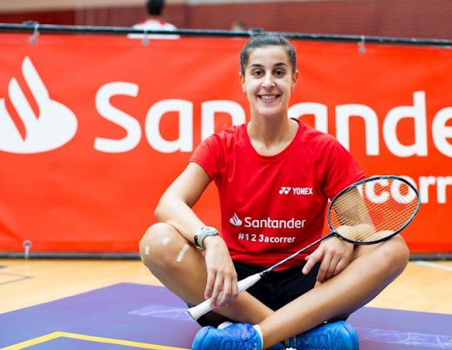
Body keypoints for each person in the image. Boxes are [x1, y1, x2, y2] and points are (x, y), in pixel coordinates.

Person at [139, 33, 410, 350]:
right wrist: (209, 239)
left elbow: (365, 227)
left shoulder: (325, 149)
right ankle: (299, 335)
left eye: (279, 72)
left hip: (308, 282)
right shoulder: (221, 146)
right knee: (156, 241)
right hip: (234, 287)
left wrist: (345, 235)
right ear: (243, 81)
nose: (268, 82)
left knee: (392, 247)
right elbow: (169, 203)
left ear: (294, 80)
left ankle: (255, 338)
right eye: (258, 72)